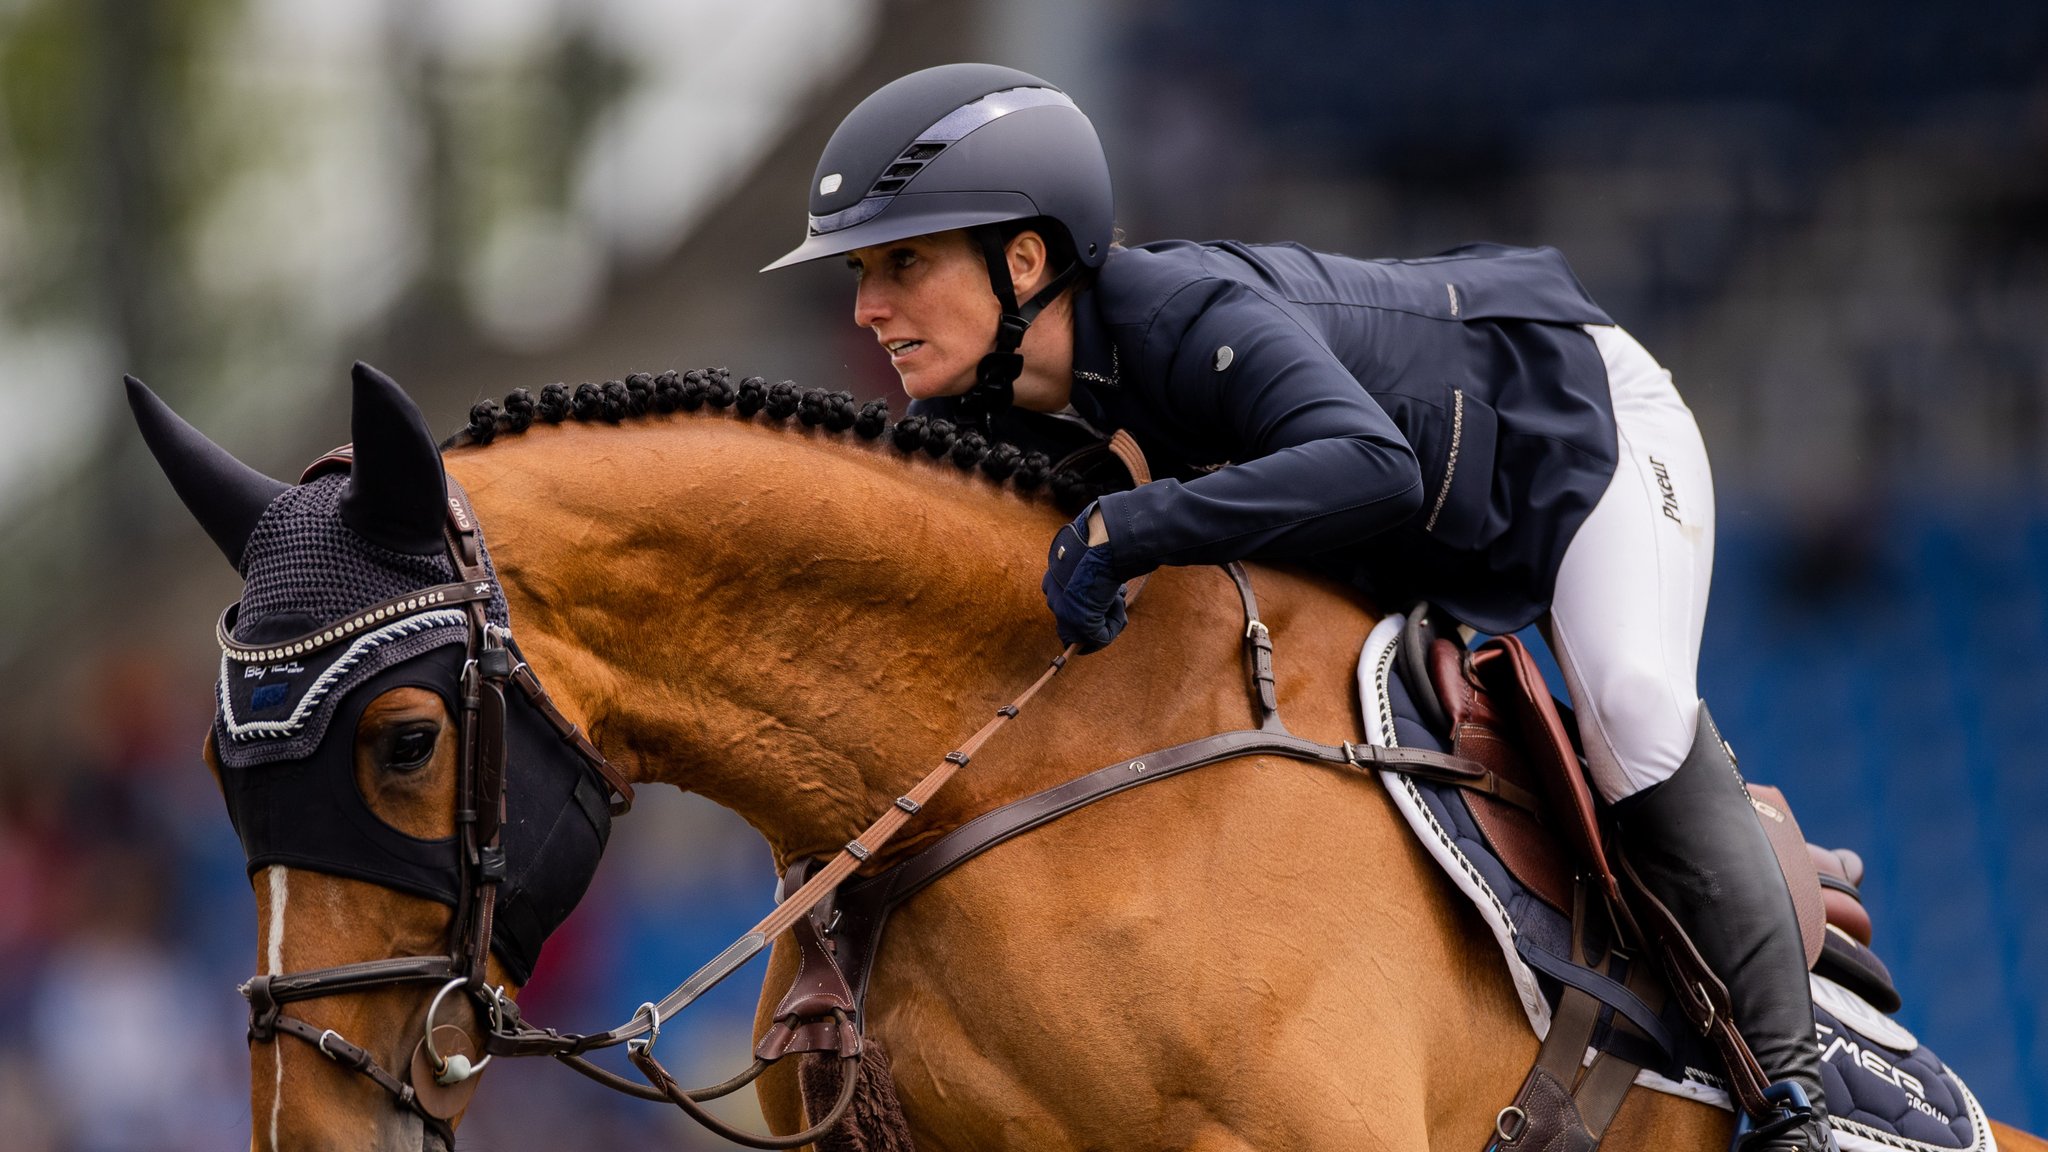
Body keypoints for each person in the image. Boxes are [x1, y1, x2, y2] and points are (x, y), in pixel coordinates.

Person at [764, 63, 1832, 1152]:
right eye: (859, 272)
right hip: (1407, 543)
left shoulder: (1180, 314)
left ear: (1024, 258)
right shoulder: (1013, 400)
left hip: (1576, 434)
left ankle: (1791, 1099)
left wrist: (1134, 527)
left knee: (1635, 704)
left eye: (901, 262)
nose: (866, 308)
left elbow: (1373, 467)